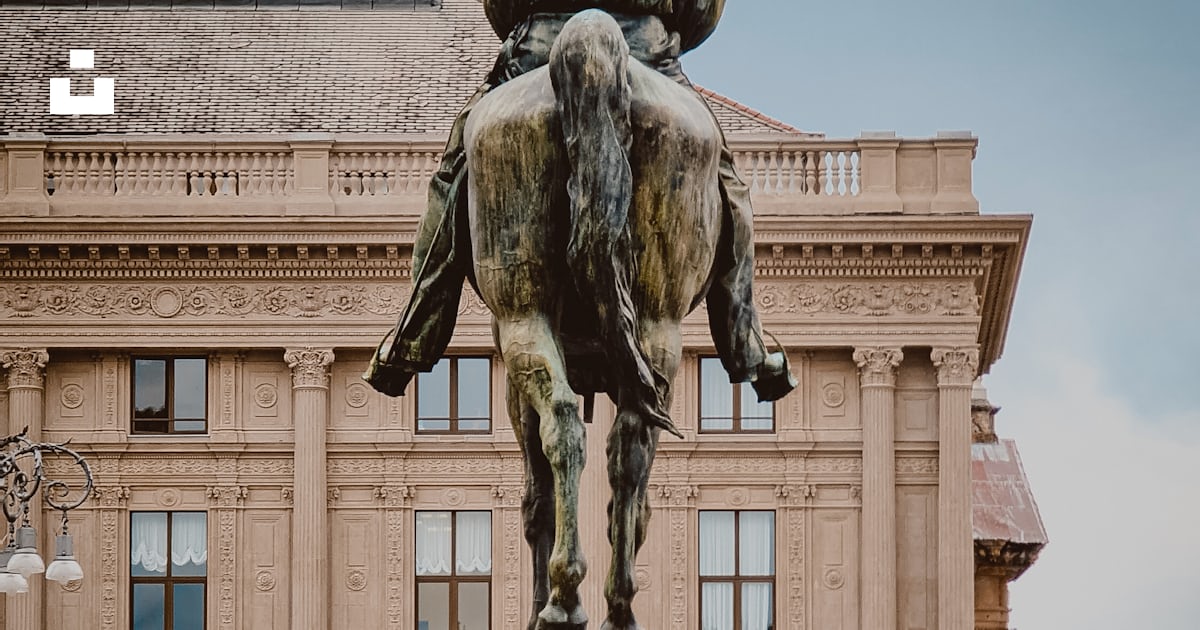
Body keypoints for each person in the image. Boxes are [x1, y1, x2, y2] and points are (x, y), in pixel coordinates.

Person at [364, 0, 796, 407]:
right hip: (647, 52)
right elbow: (700, 12)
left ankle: (413, 335)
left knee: (450, 180)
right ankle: (745, 344)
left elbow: (500, 7)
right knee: (730, 192)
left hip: (536, 52)